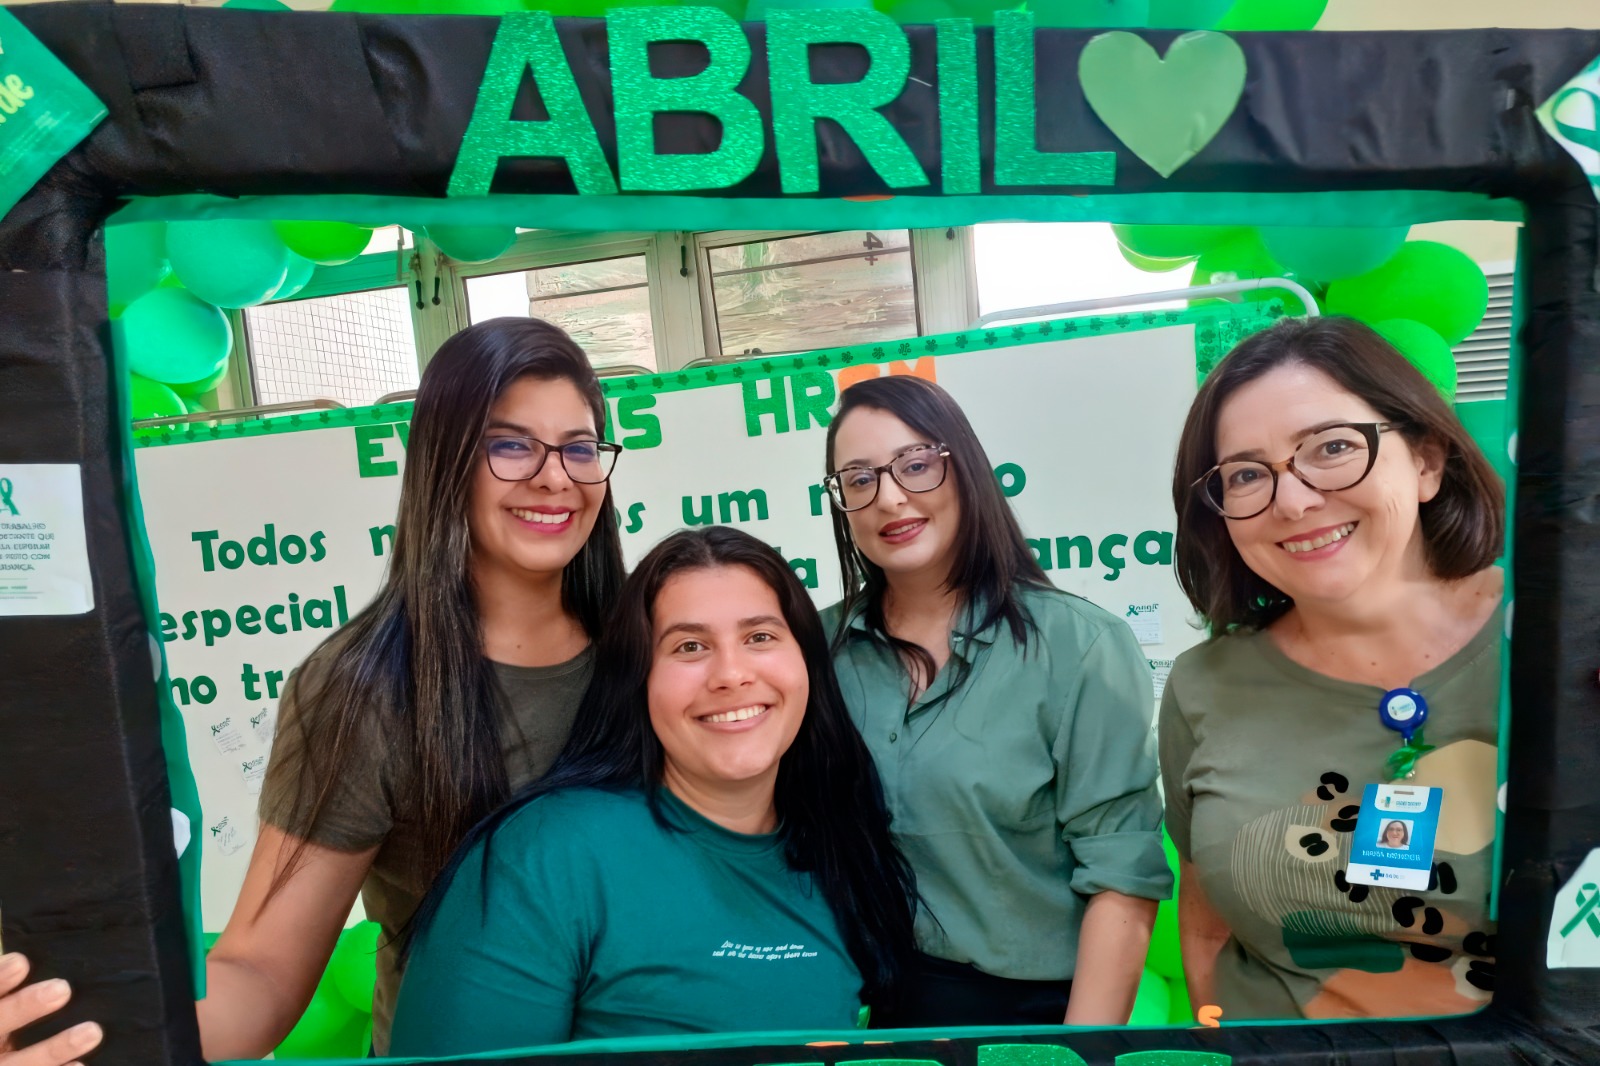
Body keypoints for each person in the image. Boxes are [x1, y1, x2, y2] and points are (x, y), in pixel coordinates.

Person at [0, 317, 628, 1064]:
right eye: (511, 445)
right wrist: (88, 1029)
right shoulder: (368, 690)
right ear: (446, 460)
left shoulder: (657, 653)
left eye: (579, 447)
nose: (555, 477)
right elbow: (261, 972)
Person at [388, 527, 917, 1055]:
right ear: (638, 678)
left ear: (807, 664)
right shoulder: (543, 856)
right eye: (690, 646)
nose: (731, 674)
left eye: (760, 637)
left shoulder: (842, 853)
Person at [1160, 315, 1503, 1021]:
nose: (1293, 501)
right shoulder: (1203, 687)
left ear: (1427, 461)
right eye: (1246, 474)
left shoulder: (1560, 642)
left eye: (1333, 447)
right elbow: (1207, 926)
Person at [819, 375, 1171, 1028]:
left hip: (1037, 1012)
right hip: (874, 1006)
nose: (889, 497)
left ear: (966, 470)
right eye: (859, 479)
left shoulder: (1079, 645)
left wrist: (1075, 1054)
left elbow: (1122, 875)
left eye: (915, 465)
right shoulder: (818, 649)